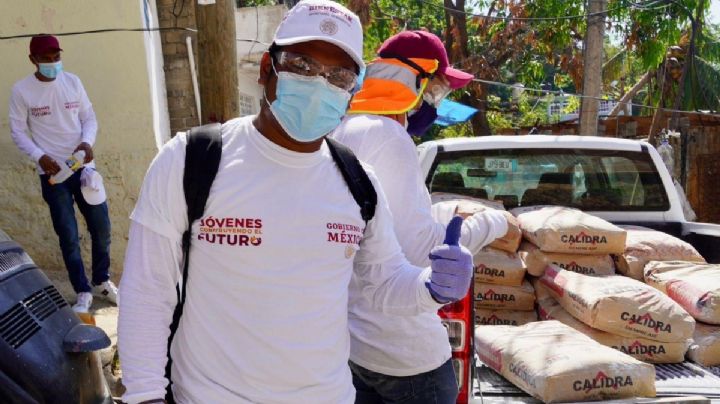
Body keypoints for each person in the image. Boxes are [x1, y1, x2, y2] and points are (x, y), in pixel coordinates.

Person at [118, 2, 475, 403]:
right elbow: (148, 291)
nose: (319, 83)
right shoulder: (192, 158)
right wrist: (145, 395)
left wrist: (431, 287)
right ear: (267, 70)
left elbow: (383, 282)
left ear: (351, 91)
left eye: (339, 75)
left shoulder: (357, 180)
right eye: (301, 65)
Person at [331, 30, 509, 403]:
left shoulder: (344, 130)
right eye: (436, 91)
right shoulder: (389, 138)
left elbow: (382, 222)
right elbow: (418, 253)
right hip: (406, 357)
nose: (435, 104)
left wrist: (445, 211)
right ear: (411, 81)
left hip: (356, 346)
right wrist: (493, 223)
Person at [8, 34, 116, 313]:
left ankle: (102, 281)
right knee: (68, 234)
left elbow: (89, 118)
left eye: (56, 57)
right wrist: (39, 156)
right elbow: (18, 130)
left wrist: (87, 143)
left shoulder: (73, 82)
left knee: (101, 228)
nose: (53, 63)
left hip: (83, 168)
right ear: (32, 60)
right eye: (46, 58)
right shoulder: (22, 91)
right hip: (53, 175)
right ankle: (82, 290)